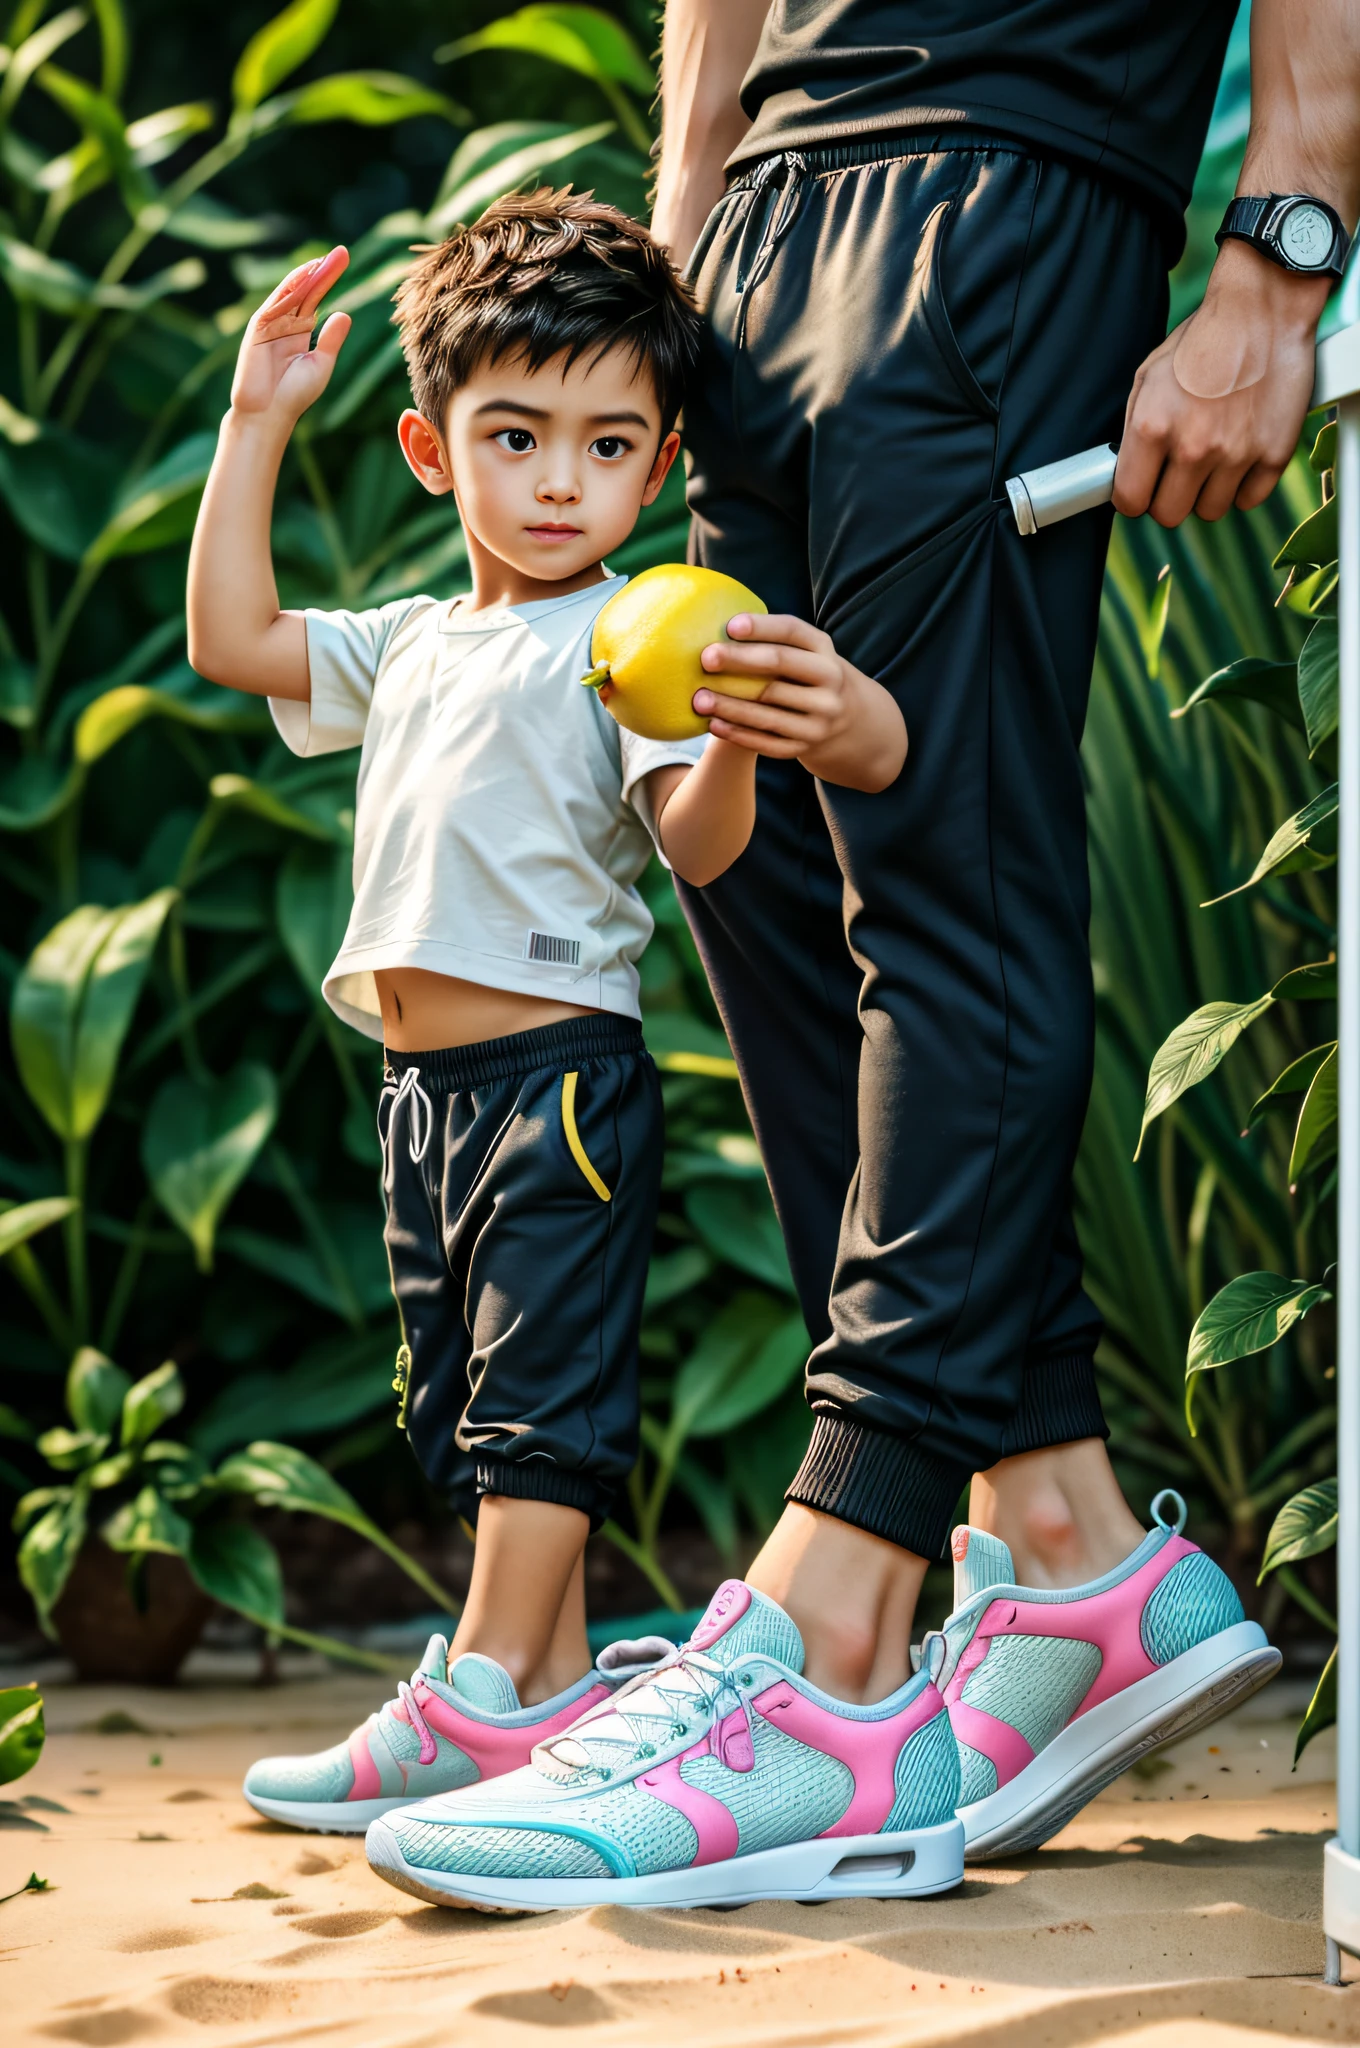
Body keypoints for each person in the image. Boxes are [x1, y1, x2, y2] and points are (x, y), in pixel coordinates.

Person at [354, 2, 1359, 1910]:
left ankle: (833, 1625)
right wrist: (685, 213)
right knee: (751, 840)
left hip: (1011, 166)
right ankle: (1066, 1545)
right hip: (762, 219)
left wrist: (1278, 249)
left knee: (939, 847)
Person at [186, 188, 905, 1833]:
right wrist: (254, 420)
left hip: (557, 1080)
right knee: (452, 1394)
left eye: (606, 445)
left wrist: (725, 729)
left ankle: (487, 1691)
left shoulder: (626, 639)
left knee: (536, 1400)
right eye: (516, 438)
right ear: (435, 452)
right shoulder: (412, 642)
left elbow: (705, 850)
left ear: (658, 469)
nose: (562, 481)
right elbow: (232, 635)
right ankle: (556, 1689)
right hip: (422, 1095)